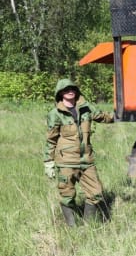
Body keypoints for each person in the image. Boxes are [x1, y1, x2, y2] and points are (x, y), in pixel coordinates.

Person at [44, 79, 114, 226]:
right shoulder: (55, 113)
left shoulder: (86, 108)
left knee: (96, 192)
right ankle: (72, 227)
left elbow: (103, 117)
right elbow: (51, 140)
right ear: (60, 93)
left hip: (86, 160)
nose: (71, 91)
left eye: (73, 88)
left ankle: (88, 224)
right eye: (66, 89)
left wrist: (123, 112)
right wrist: (48, 162)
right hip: (66, 161)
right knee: (67, 195)